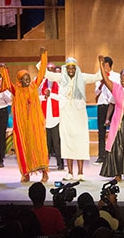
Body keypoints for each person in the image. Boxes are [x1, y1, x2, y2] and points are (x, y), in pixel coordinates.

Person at [41, 53, 102, 181]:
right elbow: (46, 73)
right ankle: (69, 172)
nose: (70, 70)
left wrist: (100, 63)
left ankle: (80, 173)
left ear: (76, 68)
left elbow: (97, 76)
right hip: (66, 115)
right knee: (67, 142)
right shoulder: (61, 77)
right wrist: (43, 56)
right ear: (65, 68)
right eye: (68, 68)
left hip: (79, 115)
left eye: (73, 68)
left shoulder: (82, 77)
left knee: (80, 142)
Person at [0, 51, 50, 182]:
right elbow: (8, 83)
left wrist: (43, 56)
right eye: (24, 79)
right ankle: (25, 173)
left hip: (35, 125)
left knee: (39, 147)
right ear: (20, 80)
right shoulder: (16, 90)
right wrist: (3, 69)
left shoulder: (34, 85)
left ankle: (44, 173)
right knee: (23, 148)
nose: (27, 81)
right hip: (22, 126)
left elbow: (42, 73)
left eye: (28, 78)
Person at [39, 62, 64, 173]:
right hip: (45, 117)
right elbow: (37, 97)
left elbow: (62, 98)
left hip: (56, 117)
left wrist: (51, 95)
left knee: (57, 143)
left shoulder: (60, 82)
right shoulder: (41, 82)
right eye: (47, 69)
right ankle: (45, 164)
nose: (49, 71)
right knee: (46, 144)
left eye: (51, 69)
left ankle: (60, 163)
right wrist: (44, 96)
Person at [94, 56, 120, 165]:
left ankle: (114, 154)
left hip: (112, 105)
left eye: (104, 65)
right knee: (101, 131)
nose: (103, 67)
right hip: (101, 104)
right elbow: (96, 92)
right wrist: (101, 83)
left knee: (115, 130)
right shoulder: (99, 76)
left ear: (108, 65)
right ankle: (101, 156)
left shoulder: (116, 76)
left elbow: (117, 89)